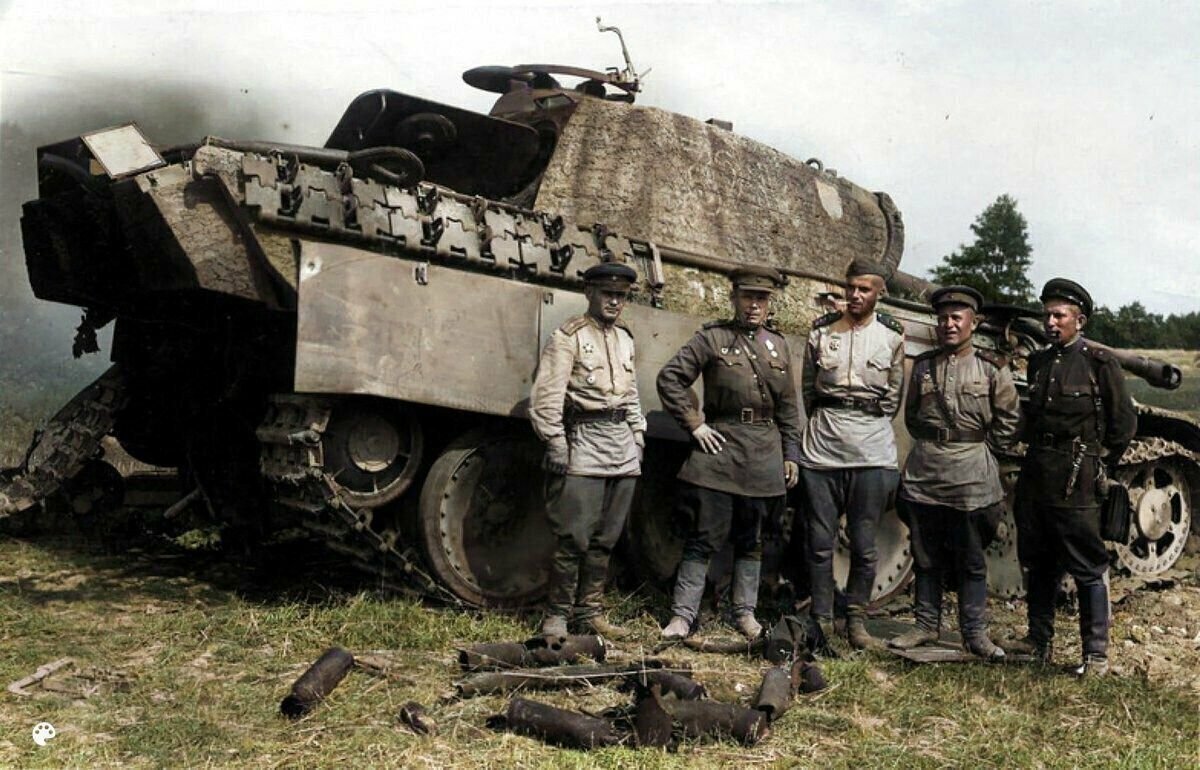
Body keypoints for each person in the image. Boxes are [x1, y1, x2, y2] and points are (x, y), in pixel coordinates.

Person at [656, 265, 803, 640]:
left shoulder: (779, 345)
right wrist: (695, 424)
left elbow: (788, 407)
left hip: (763, 453)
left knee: (751, 539)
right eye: (748, 297)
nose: (754, 305)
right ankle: (682, 616)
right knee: (703, 536)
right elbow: (670, 378)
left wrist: (791, 453)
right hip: (720, 451)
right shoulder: (712, 338)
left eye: (762, 298)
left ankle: (744, 614)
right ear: (734, 297)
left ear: (770, 303)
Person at [1008, 278, 1136, 677]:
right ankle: (1038, 641)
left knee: (1087, 564)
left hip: (1077, 476)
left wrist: (1099, 466)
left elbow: (1123, 425)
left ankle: (1094, 654)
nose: (1050, 321)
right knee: (1039, 560)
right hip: (1038, 472)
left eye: (1059, 315)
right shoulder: (1040, 362)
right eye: (1047, 313)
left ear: (1078, 320)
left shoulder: (1100, 362)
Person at [887, 285, 1021, 659]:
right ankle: (925, 626)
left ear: (972, 323)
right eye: (943, 318)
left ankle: (974, 633)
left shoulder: (992, 367)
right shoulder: (924, 366)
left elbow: (1009, 421)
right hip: (926, 471)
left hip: (971, 475)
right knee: (924, 553)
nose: (948, 324)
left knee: (971, 557)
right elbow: (913, 416)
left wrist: (978, 450)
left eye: (956, 318)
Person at [529, 262, 647, 640]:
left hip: (622, 447)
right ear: (590, 294)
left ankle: (590, 612)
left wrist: (639, 434)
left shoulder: (626, 338)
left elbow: (630, 392)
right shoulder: (569, 336)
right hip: (586, 441)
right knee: (574, 536)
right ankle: (558, 615)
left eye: (621, 296)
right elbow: (547, 395)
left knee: (606, 538)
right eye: (607, 294)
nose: (614, 302)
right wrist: (555, 442)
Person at [797, 258, 905, 650]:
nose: (856, 295)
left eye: (865, 289)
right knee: (820, 541)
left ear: (879, 293)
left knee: (863, 542)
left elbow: (893, 396)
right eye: (852, 288)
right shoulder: (822, 331)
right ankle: (822, 618)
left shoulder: (892, 336)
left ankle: (856, 619)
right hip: (823, 450)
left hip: (871, 451)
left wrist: (864, 420)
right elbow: (809, 389)